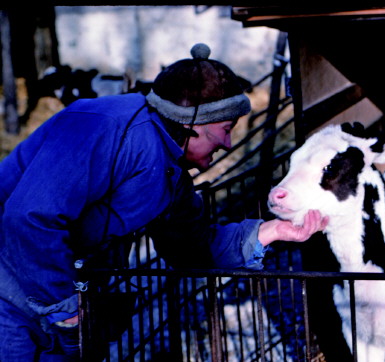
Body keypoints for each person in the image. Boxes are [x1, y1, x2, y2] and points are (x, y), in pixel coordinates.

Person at [0, 43, 328, 361]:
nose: (228, 144)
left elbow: (194, 248)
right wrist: (67, 310)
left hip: (61, 302)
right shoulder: (102, 126)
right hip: (10, 295)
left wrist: (272, 230)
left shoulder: (169, 173)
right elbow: (30, 217)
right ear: (193, 122)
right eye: (226, 129)